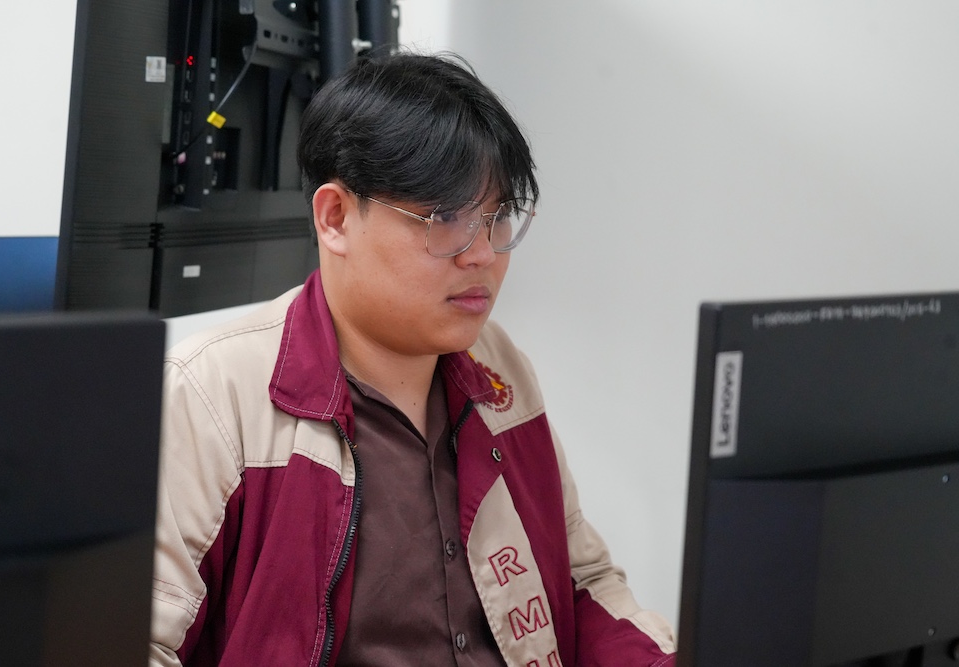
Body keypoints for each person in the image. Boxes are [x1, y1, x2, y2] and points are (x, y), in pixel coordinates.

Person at [149, 51, 677, 667]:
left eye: (498, 217)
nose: (483, 254)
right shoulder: (213, 396)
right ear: (335, 218)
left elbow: (581, 581)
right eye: (446, 217)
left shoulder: (499, 367)